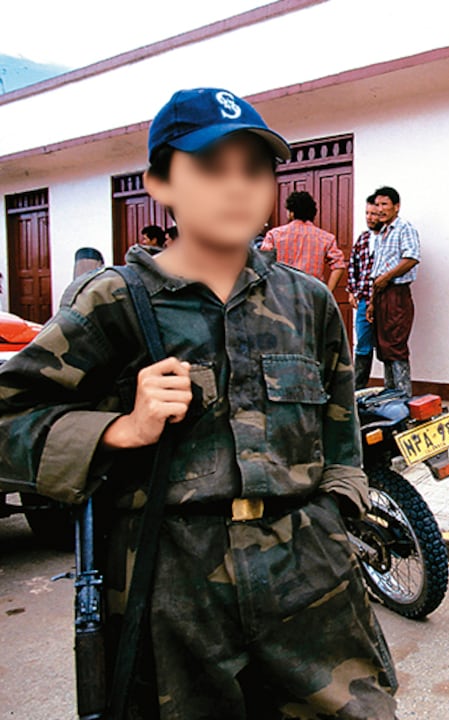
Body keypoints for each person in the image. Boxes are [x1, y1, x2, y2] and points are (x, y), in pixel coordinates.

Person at [0, 87, 396, 718]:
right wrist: (119, 430)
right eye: (210, 168)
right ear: (162, 183)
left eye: (254, 169)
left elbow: (339, 429)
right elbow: (9, 418)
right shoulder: (115, 302)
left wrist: (334, 517)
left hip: (309, 579)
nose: (236, 188)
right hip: (172, 589)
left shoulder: (308, 303)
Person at [368, 185, 420, 397]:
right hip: (381, 294)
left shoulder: (404, 228)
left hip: (396, 294)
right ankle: (391, 399)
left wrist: (387, 278)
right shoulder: (381, 233)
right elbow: (377, 272)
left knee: (396, 346)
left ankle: (404, 400)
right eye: (377, 204)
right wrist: (372, 302)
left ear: (396, 207)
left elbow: (411, 257)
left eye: (384, 204)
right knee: (384, 348)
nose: (380, 209)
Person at [260, 190, 347, 293]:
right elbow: (339, 265)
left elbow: (262, 263)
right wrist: (328, 292)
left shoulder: (274, 235)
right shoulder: (326, 238)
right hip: (312, 296)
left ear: (291, 213)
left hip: (281, 295)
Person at [347, 195, 382, 388]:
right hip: (363, 301)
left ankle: (392, 391)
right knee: (362, 345)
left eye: (374, 214)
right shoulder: (363, 239)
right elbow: (353, 265)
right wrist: (352, 291)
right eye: (367, 213)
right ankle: (357, 388)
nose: (369, 217)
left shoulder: (388, 238)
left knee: (386, 347)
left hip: (383, 301)